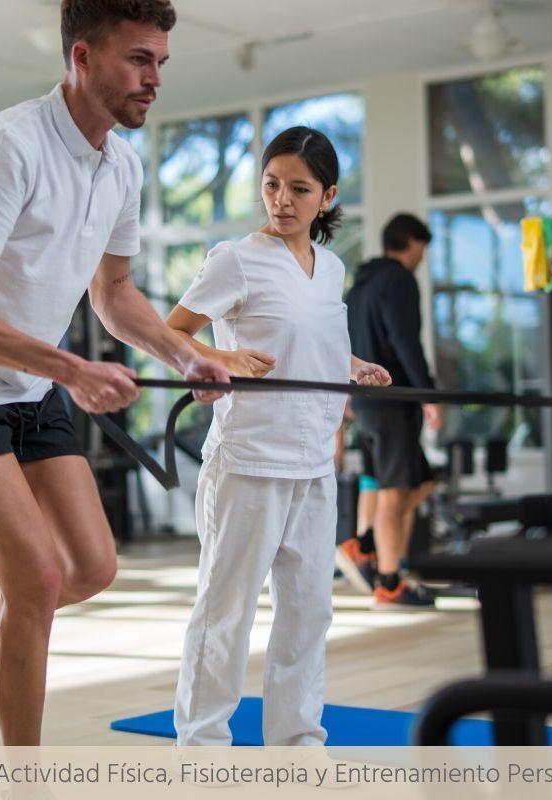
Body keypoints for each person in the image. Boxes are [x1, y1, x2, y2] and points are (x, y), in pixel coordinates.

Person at [0, 0, 228, 746]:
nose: (154, 78)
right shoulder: (7, 147)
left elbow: (114, 292)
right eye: (138, 59)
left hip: (27, 384)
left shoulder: (119, 164)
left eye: (161, 61)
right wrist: (70, 369)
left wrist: (185, 353)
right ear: (81, 58)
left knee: (91, 567)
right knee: (33, 577)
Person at [166, 127, 390, 746]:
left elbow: (314, 342)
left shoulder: (332, 268)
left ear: (327, 196)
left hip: (314, 462)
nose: (281, 200)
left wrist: (352, 365)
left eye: (299, 188)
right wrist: (220, 357)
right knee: (226, 611)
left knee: (308, 612)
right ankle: (203, 749)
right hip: (249, 461)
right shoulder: (235, 259)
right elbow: (172, 331)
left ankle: (297, 747)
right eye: (271, 184)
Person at [339, 214, 440, 610]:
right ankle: (390, 582)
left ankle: (365, 545)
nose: (421, 258)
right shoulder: (398, 280)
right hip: (391, 400)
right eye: (422, 249)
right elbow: (405, 343)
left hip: (367, 403)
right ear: (412, 243)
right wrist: (428, 394)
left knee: (416, 482)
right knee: (396, 494)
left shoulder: (361, 284)